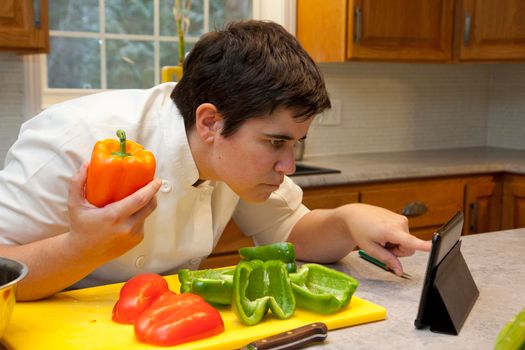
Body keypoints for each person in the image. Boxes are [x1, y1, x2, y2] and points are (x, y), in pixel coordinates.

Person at [0, 20, 430, 301]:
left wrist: (349, 220)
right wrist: (81, 248)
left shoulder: (228, 156)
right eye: (276, 143)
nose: (289, 165)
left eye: (296, 145)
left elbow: (289, 230)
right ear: (210, 122)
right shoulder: (68, 140)